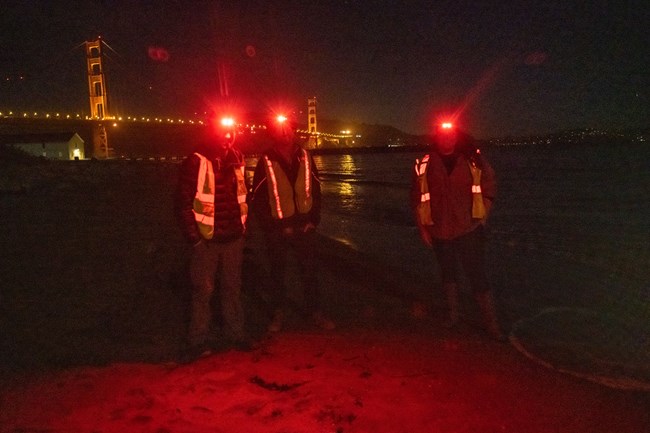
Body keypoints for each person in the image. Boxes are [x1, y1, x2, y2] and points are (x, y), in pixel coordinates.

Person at [410, 120, 504, 340]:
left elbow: (490, 185)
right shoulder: (424, 164)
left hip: (468, 228)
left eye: (450, 136)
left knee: (478, 277)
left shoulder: (473, 160)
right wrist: (422, 227)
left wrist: (483, 215)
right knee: (448, 275)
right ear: (437, 138)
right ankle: (453, 316)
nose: (447, 139)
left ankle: (492, 325)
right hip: (439, 230)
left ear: (456, 137)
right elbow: (416, 197)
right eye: (442, 136)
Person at [175, 116, 252, 359]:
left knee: (232, 288)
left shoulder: (238, 158)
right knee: (203, 291)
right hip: (206, 240)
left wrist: (243, 229)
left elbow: (244, 195)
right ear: (212, 133)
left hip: (233, 238)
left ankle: (235, 334)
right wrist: (194, 239)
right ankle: (197, 340)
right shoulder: (196, 160)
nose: (227, 139)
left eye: (231, 134)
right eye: (222, 133)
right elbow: (182, 202)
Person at [250, 114, 335, 333]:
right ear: (274, 133)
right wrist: (272, 226)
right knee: (277, 273)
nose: (285, 133)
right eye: (280, 129)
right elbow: (257, 198)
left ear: (294, 131)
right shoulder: (266, 160)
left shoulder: (305, 157)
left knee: (309, 272)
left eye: (288, 129)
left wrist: (313, 220)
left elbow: (315, 190)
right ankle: (278, 313)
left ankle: (315, 311)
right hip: (277, 229)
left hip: (304, 226)